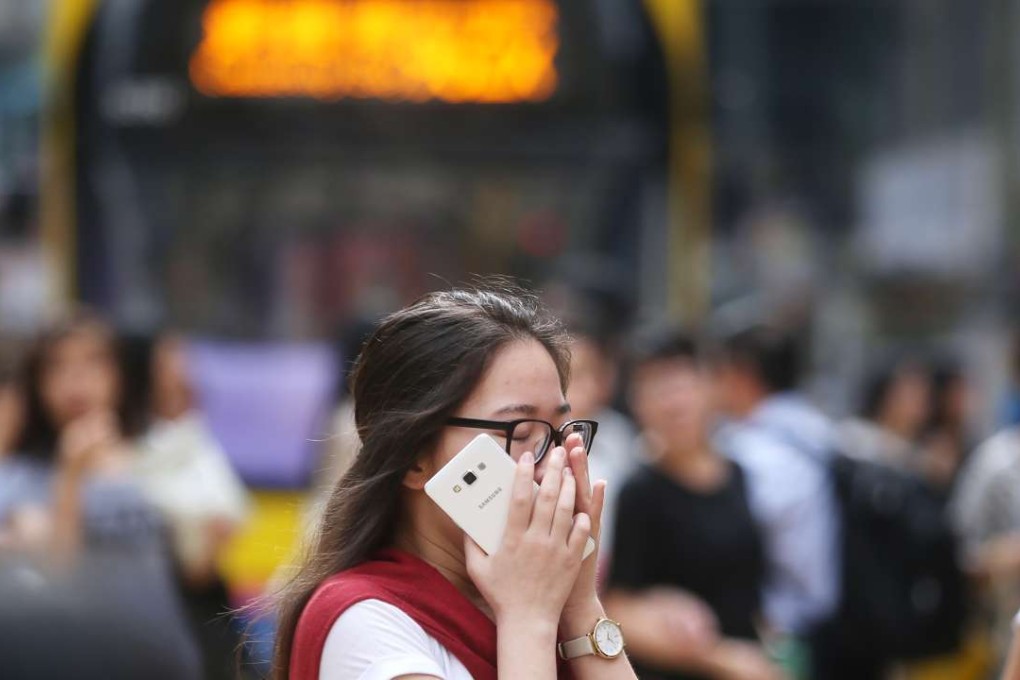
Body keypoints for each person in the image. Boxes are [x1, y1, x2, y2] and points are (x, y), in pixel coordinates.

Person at [275, 281, 639, 680]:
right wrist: (527, 617)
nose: (550, 464)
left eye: (558, 431)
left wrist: (581, 603)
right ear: (414, 457)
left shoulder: (540, 603)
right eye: (519, 434)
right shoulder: (365, 621)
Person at [0, 310, 198, 677]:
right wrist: (71, 474)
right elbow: (58, 572)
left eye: (94, 363)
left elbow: (197, 562)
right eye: (57, 367)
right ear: (37, 383)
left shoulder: (157, 452)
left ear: (119, 375)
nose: (76, 381)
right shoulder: (19, 478)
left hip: (160, 659)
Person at [605, 328, 776, 680]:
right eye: (656, 388)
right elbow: (616, 608)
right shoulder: (640, 491)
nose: (674, 403)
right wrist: (719, 658)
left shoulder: (737, 474)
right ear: (637, 403)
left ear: (712, 388)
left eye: (683, 385)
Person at [131, 331, 251, 680]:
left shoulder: (192, 431)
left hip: (212, 598)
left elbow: (228, 508)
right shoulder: (135, 443)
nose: (183, 370)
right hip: (168, 602)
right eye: (170, 361)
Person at [712, 326, 840, 643]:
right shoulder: (820, 431)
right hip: (828, 617)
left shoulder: (751, 454)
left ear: (742, 375)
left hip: (778, 627)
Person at [564, 322, 638, 565]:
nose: (570, 389)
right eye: (564, 375)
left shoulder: (621, 435)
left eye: (584, 374)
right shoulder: (532, 444)